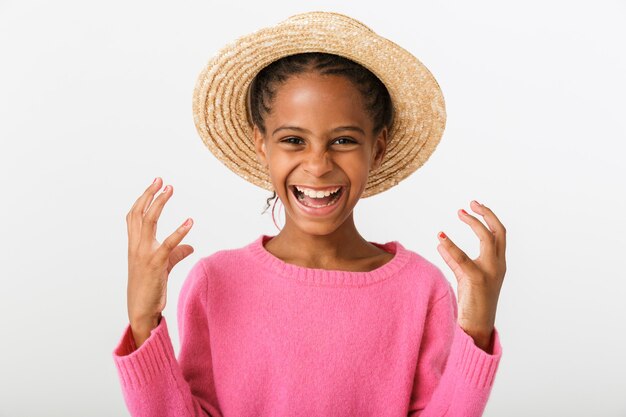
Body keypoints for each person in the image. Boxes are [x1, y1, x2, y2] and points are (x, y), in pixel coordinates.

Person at [113, 11, 507, 417]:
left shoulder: (421, 289)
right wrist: (143, 321)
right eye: (293, 140)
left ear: (379, 146)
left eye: (343, 140)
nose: (317, 165)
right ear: (261, 144)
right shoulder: (216, 283)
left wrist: (476, 329)